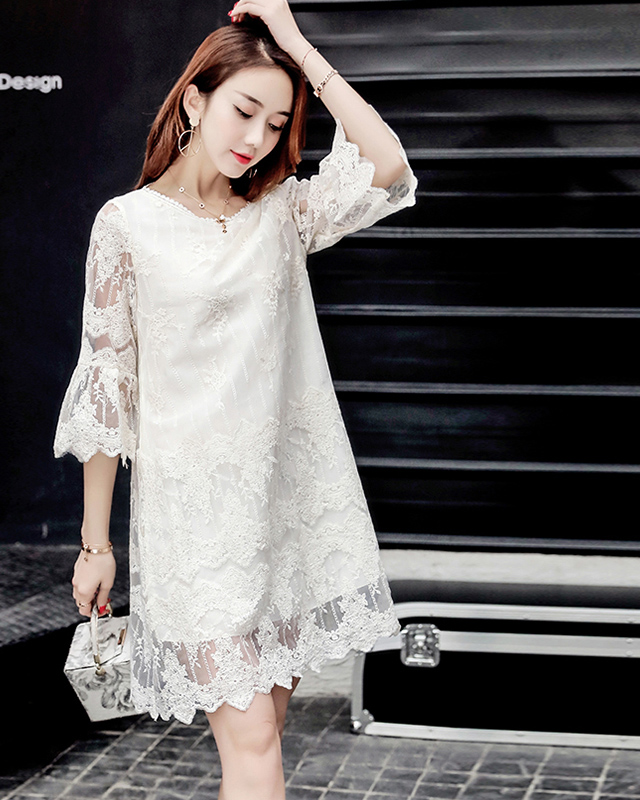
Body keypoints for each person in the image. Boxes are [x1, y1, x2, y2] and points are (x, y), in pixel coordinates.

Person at [54, 2, 417, 798]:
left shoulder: (282, 214)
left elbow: (387, 163)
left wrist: (296, 45)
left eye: (276, 123)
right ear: (195, 100)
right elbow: (108, 390)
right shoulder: (127, 226)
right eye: (243, 110)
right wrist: (95, 545)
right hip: (195, 532)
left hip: (286, 515)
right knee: (253, 743)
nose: (255, 137)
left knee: (260, 743)